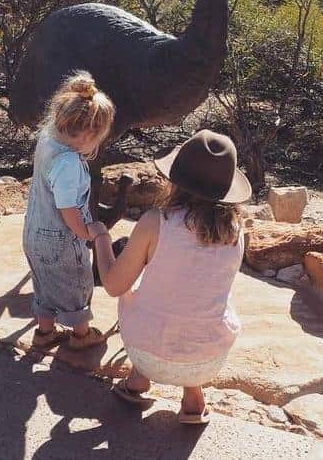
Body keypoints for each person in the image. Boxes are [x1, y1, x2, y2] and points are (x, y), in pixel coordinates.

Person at [93, 129, 250, 425]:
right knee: (202, 298)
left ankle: (138, 379)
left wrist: (101, 236)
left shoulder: (156, 221)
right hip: (209, 358)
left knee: (136, 292)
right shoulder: (236, 231)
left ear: (175, 179)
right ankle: (193, 398)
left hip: (146, 353)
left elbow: (114, 286)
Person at [22, 71, 115, 351]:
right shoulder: (69, 163)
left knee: (45, 282)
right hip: (61, 238)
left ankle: (45, 332)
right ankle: (81, 335)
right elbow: (68, 208)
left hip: (34, 230)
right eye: (98, 137)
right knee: (76, 284)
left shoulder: (48, 138)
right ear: (87, 133)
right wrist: (86, 232)